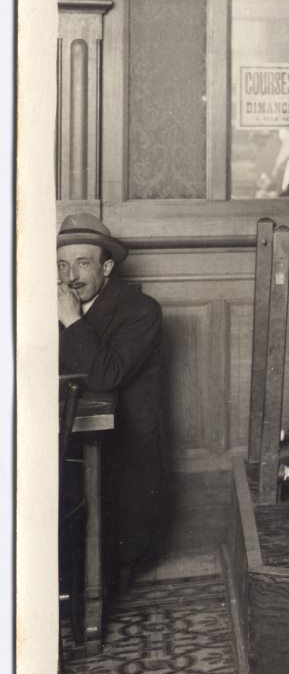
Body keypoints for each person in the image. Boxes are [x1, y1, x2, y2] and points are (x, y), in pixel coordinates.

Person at [58, 214, 166, 585]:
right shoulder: (54, 302)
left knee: (102, 565)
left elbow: (106, 376)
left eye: (82, 262)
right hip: (72, 434)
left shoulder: (142, 311)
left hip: (122, 450)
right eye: (62, 264)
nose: (70, 274)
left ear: (106, 267)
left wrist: (72, 322)